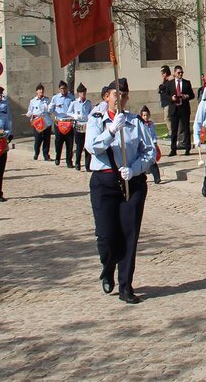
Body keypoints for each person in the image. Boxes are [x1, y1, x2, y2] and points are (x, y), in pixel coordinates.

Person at [85, 79, 154, 303]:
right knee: (106, 236)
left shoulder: (135, 122)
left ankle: (126, 286)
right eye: (117, 94)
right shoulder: (96, 119)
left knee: (129, 236)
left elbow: (150, 151)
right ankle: (108, 266)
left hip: (131, 184)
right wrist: (112, 130)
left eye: (124, 94)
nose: (120, 98)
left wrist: (134, 170)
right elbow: (92, 146)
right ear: (107, 97)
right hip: (104, 182)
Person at [163, 65, 195, 156]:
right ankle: (173, 149)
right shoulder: (170, 83)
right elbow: (165, 95)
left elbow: (192, 95)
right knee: (174, 130)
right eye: (178, 72)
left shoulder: (186, 83)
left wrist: (186, 96)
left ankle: (187, 148)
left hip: (184, 108)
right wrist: (171, 98)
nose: (180, 74)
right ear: (174, 73)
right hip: (174, 108)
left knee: (186, 129)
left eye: (181, 72)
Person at [68, 84, 94, 172]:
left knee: (87, 146)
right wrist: (74, 115)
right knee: (79, 146)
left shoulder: (88, 103)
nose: (83, 94)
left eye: (84, 92)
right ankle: (77, 163)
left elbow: (91, 112)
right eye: (81, 92)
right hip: (78, 124)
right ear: (78, 93)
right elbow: (68, 112)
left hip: (87, 125)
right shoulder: (74, 103)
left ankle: (87, 165)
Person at [51, 81, 76, 167]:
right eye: (62, 88)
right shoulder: (55, 98)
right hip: (59, 122)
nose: (63, 90)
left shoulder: (72, 98)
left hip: (69, 122)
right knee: (58, 142)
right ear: (59, 89)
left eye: (65, 88)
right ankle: (57, 157)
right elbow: (51, 109)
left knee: (69, 142)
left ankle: (69, 161)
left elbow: (74, 109)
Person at [26, 83, 53, 162]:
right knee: (38, 138)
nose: (41, 91)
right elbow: (30, 110)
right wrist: (29, 114)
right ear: (36, 91)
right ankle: (36, 152)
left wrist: (48, 108)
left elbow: (50, 111)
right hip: (37, 122)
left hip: (46, 121)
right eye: (39, 90)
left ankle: (46, 155)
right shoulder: (33, 101)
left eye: (42, 90)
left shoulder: (47, 100)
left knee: (46, 139)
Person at [138, 106, 162, 184]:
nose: (146, 117)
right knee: (142, 162)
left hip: (151, 145)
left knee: (152, 161)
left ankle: (157, 178)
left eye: (147, 115)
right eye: (144, 115)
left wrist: (155, 142)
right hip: (143, 145)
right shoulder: (140, 124)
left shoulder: (151, 124)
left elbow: (153, 134)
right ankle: (141, 177)